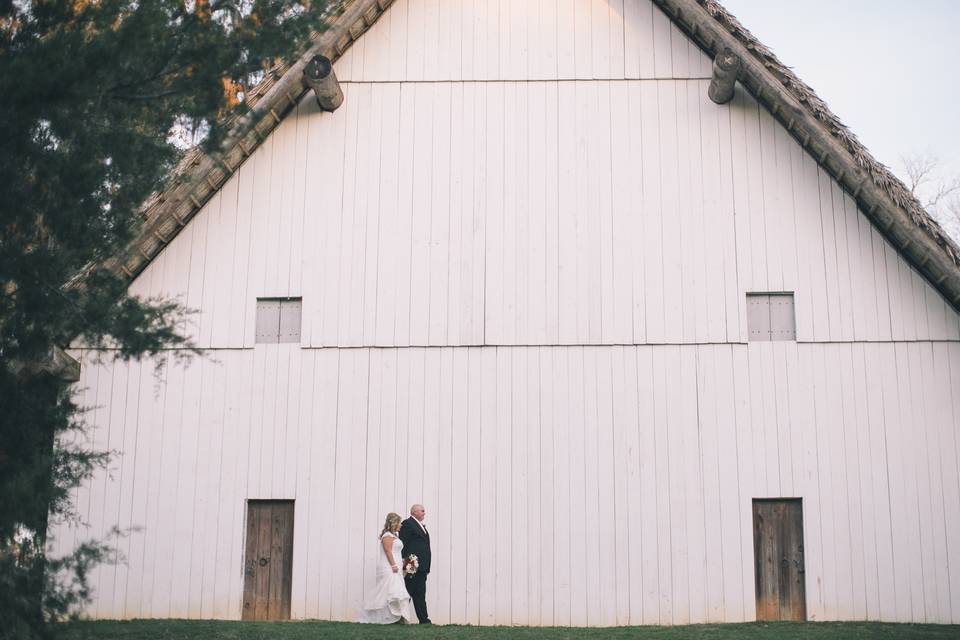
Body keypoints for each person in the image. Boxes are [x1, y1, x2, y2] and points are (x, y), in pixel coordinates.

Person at [358, 512, 418, 624]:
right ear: (394, 523)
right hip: (390, 568)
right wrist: (394, 565)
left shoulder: (395, 536)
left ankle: (395, 617)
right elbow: (388, 551)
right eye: (399, 523)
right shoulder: (387, 536)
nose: (401, 525)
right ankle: (386, 617)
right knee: (390, 592)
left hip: (397, 567)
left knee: (394, 591)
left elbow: (396, 552)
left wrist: (405, 562)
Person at [398, 503, 431, 624]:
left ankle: (424, 619)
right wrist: (406, 561)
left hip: (422, 565)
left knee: (420, 593)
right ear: (414, 512)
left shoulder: (421, 526)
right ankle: (399, 617)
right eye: (422, 511)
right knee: (408, 590)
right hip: (412, 563)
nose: (424, 513)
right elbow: (402, 543)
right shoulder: (408, 524)